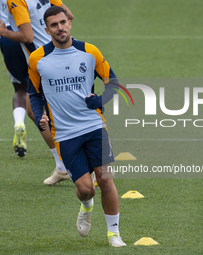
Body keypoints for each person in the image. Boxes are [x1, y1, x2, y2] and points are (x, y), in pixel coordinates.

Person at [28, 6, 126, 247]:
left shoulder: (89, 52)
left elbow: (113, 82)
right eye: (54, 25)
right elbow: (34, 92)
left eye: (63, 22)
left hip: (94, 126)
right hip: (64, 133)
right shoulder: (37, 59)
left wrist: (100, 100)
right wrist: (40, 115)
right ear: (46, 29)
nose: (60, 27)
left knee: (105, 179)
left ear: (69, 23)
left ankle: (114, 234)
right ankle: (86, 205)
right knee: (85, 189)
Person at [0, 0, 73, 185]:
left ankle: (94, 167)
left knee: (54, 114)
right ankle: (62, 166)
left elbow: (27, 36)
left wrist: (4, 32)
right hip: (62, 55)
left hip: (46, 61)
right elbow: (68, 16)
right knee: (35, 110)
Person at [0, 0, 29, 157]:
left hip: (8, 36)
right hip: (33, 34)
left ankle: (19, 122)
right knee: (43, 88)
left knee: (20, 88)